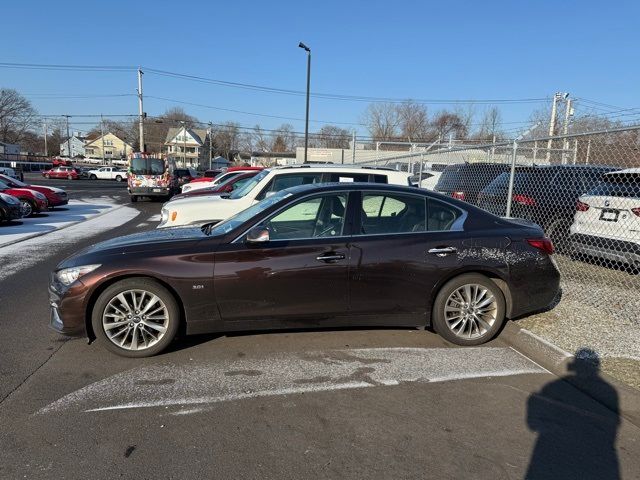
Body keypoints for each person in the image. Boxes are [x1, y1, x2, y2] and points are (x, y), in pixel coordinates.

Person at [525, 348, 620, 479]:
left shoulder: (556, 386)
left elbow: (534, 421)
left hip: (552, 450)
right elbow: (611, 428)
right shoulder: (609, 391)